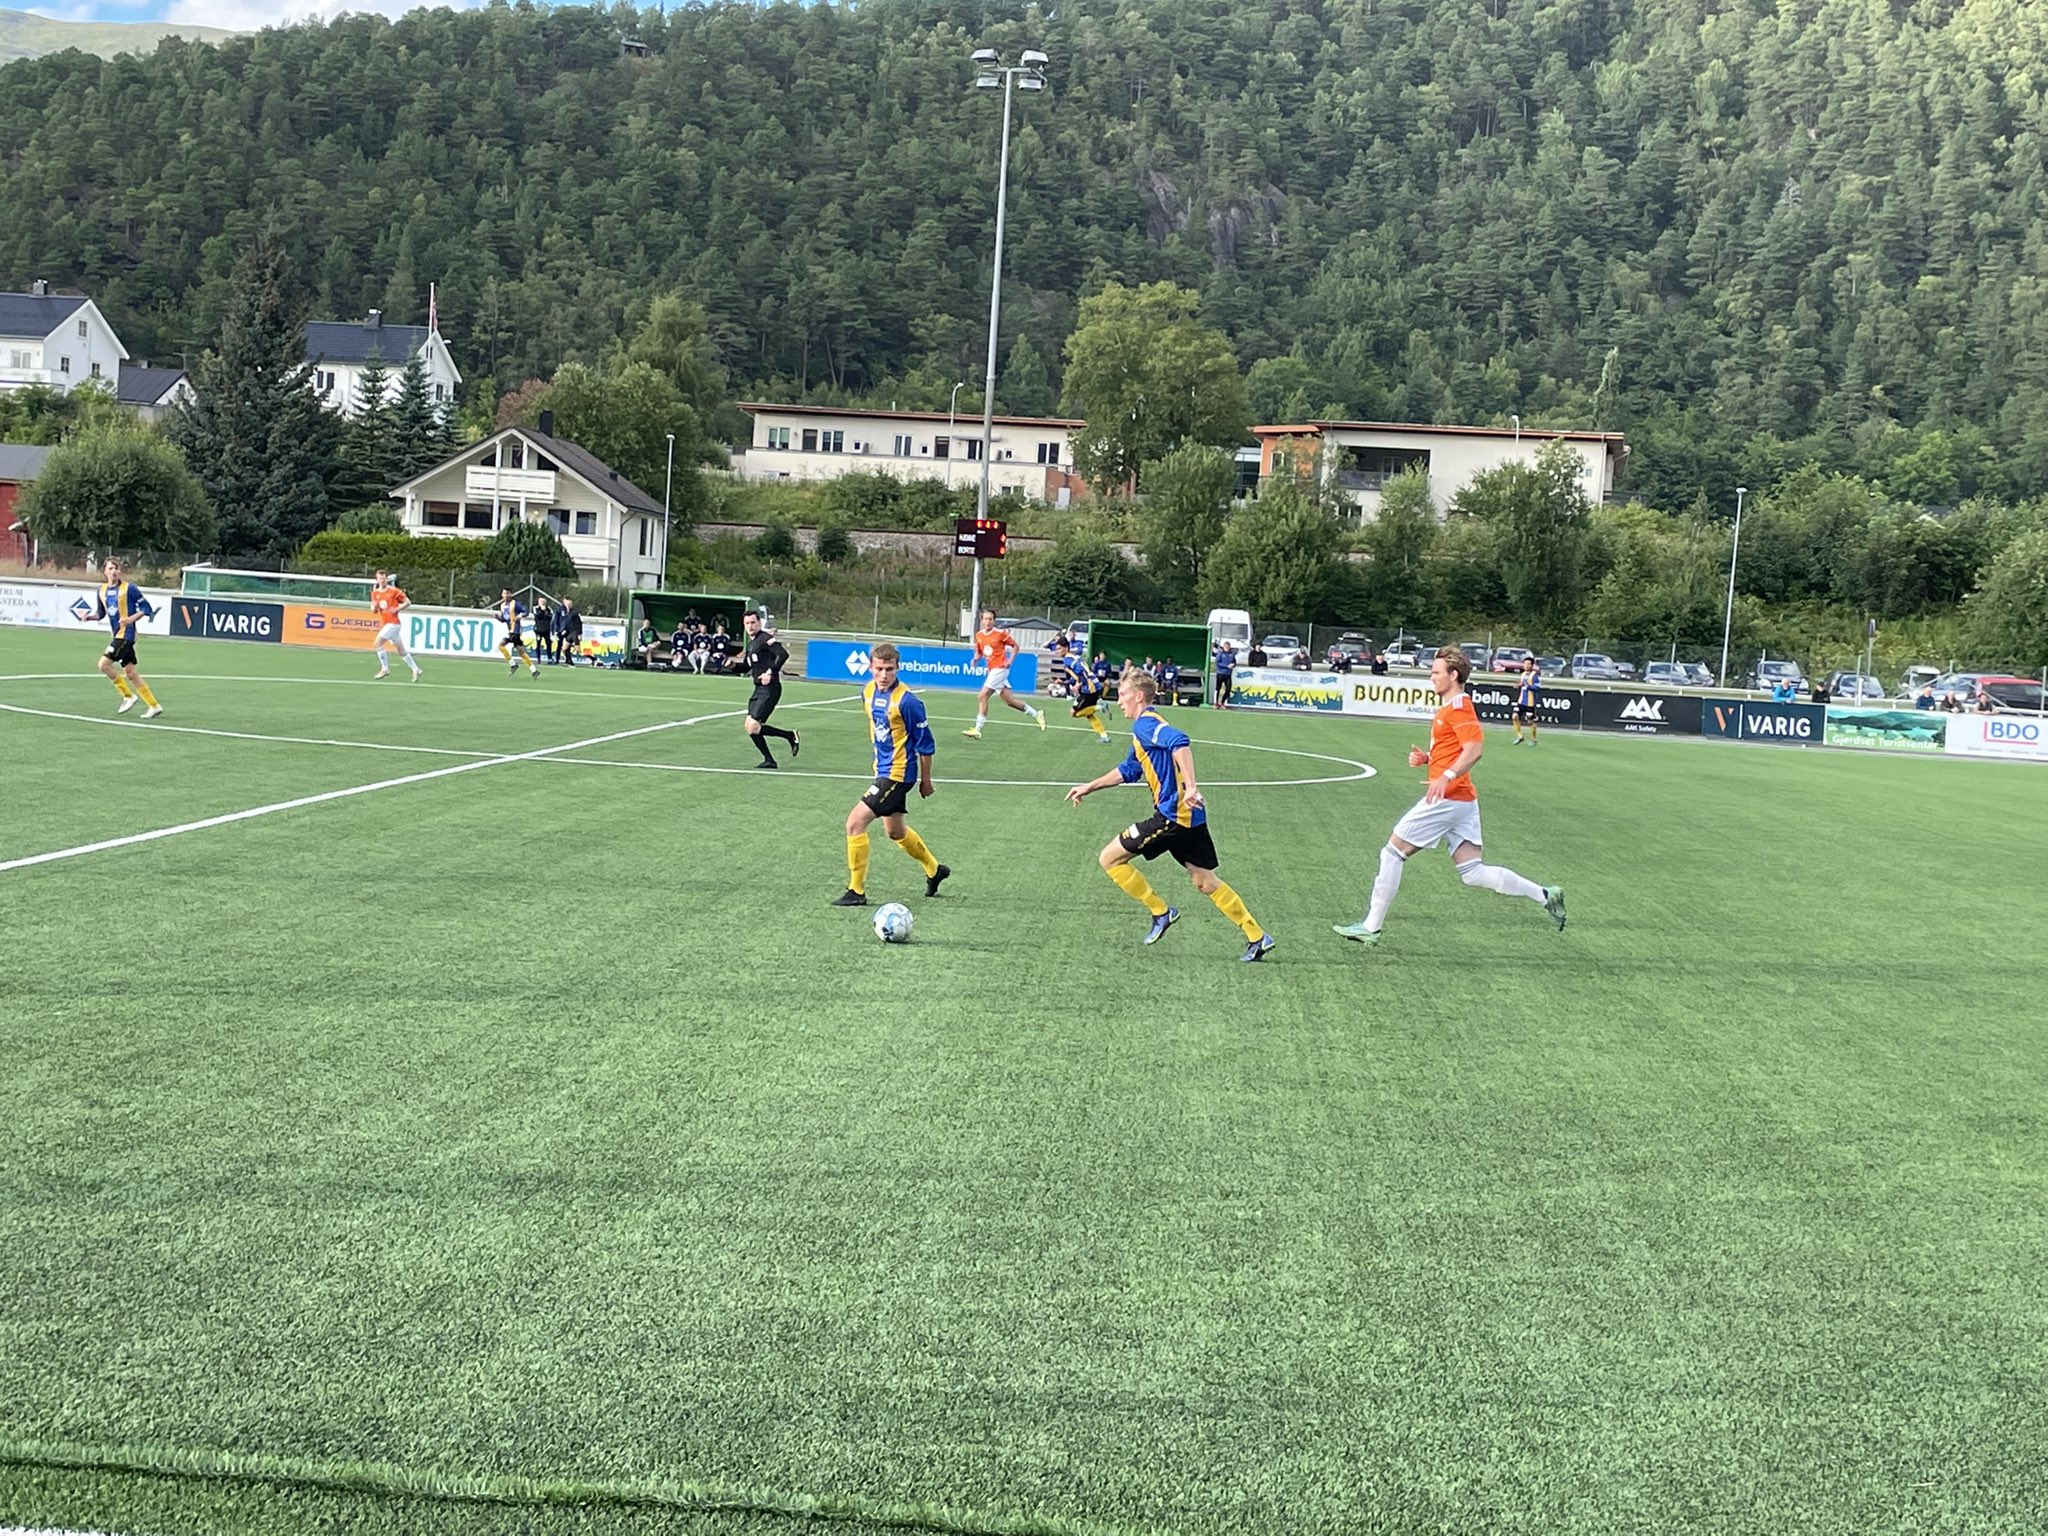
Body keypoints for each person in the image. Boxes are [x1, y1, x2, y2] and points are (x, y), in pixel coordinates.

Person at [1334, 646, 1565, 947]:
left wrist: (1445, 776)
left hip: (1448, 798)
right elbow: (1455, 749)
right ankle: (1546, 895)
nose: (1431, 677)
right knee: (1472, 872)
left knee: (1392, 853)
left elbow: (1475, 749)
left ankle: (1371, 926)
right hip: (1463, 799)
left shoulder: (1459, 707)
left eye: (1436, 672)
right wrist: (1429, 758)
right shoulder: (1451, 707)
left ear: (1453, 675)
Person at [1068, 669, 1273, 962]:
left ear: (1139, 696)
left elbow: (1179, 741)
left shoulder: (1146, 724)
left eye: (1123, 695)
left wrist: (1191, 786)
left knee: (1109, 858)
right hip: (1189, 816)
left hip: (1173, 816)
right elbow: (1129, 770)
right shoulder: (1145, 727)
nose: (1119, 701)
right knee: (1204, 881)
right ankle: (1257, 936)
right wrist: (1089, 787)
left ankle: (1161, 912)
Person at [832, 642, 950, 907]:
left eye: (889, 669)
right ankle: (935, 870)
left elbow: (925, 745)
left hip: (898, 774)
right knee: (895, 832)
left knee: (854, 823)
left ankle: (856, 891)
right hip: (883, 770)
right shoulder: (868, 691)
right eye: (879, 669)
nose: (884, 675)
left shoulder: (907, 701)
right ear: (871, 668)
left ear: (898, 668)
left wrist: (926, 781)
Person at [89, 558, 163, 718]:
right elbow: (100, 613)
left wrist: (131, 619)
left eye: (116, 568)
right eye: (110, 568)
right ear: (105, 571)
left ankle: (128, 696)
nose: (113, 571)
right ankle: (154, 705)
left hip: (126, 635)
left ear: (120, 571)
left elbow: (146, 608)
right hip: (118, 635)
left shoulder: (129, 589)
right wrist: (89, 617)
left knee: (103, 665)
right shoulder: (101, 590)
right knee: (131, 672)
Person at [964, 609, 1045, 737]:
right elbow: (979, 652)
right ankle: (1037, 714)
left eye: (990, 619)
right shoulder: (979, 635)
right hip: (992, 670)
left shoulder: (1000, 633)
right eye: (986, 619)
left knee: (982, 696)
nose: (988, 622)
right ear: (982, 621)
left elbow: (1016, 646)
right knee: (1010, 701)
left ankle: (978, 729)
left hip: (1000, 669)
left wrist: (1010, 661)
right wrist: (975, 659)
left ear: (994, 621)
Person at [739, 611, 800, 768]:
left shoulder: (765, 638)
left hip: (770, 688)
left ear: (759, 623)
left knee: (753, 725)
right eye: (747, 623)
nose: (750, 626)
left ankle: (788, 737)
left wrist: (770, 672)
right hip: (758, 689)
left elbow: (783, 654)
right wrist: (731, 665)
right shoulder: (751, 644)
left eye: (753, 622)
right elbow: (745, 667)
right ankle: (771, 759)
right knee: (750, 727)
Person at [1051, 638, 1112, 742]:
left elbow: (1079, 669)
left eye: (1059, 648)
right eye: (1057, 649)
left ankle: (1099, 707)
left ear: (1066, 648)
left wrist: (1081, 683)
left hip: (1089, 688)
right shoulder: (1076, 656)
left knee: (1074, 713)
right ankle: (1104, 736)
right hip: (1094, 684)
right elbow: (1078, 675)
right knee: (1088, 713)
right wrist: (1065, 682)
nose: (1058, 651)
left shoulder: (1067, 660)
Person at [369, 569, 422, 681]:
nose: (382, 581)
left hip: (393, 623)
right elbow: (374, 610)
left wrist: (397, 608)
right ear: (377, 580)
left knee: (377, 643)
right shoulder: (375, 593)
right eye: (380, 579)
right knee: (401, 651)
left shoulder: (394, 591)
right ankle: (415, 669)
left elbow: (407, 602)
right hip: (387, 623)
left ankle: (385, 668)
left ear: (387, 579)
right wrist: (374, 606)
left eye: (384, 578)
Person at [496, 588, 539, 677]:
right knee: (521, 651)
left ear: (510, 594)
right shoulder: (502, 605)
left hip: (515, 630)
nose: (506, 595)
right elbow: (504, 619)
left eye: (507, 593)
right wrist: (498, 617)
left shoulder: (515, 604)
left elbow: (525, 611)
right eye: (504, 593)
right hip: (511, 631)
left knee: (501, 645)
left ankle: (513, 665)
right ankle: (534, 670)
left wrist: (520, 616)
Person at [1512, 658, 1542, 745]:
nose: (1526, 665)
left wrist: (1528, 686)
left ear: (1532, 665)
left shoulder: (1535, 675)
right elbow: (1523, 684)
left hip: (1530, 702)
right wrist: (1518, 685)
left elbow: (1537, 687)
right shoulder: (1523, 674)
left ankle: (1534, 739)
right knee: (1514, 716)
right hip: (1521, 701)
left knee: (1530, 721)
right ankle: (1520, 736)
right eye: (1525, 664)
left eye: (1528, 664)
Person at [557, 599, 583, 666]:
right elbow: (567, 623)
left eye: (570, 604)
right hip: (569, 633)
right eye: (567, 604)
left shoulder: (575, 613)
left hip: (575, 632)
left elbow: (579, 623)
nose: (568, 605)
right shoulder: (565, 612)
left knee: (578, 650)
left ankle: (592, 659)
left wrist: (580, 633)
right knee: (564, 649)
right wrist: (564, 630)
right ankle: (569, 661)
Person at [1212, 640, 1235, 707]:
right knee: (1218, 688)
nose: (1227, 648)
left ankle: (1222, 702)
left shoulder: (1231, 654)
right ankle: (1216, 703)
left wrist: (1233, 665)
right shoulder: (1220, 653)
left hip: (1228, 674)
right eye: (1226, 646)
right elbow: (1217, 663)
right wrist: (1226, 666)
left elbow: (1234, 662)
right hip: (1220, 673)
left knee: (1228, 689)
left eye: (1228, 646)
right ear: (1223, 647)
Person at [533, 598, 554, 662]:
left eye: (544, 601)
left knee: (548, 644)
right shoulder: (536, 608)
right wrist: (542, 610)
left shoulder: (549, 609)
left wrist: (545, 612)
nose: (542, 603)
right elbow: (537, 617)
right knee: (538, 644)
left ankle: (549, 658)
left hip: (546, 629)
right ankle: (538, 658)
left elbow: (550, 617)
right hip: (539, 629)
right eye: (541, 601)